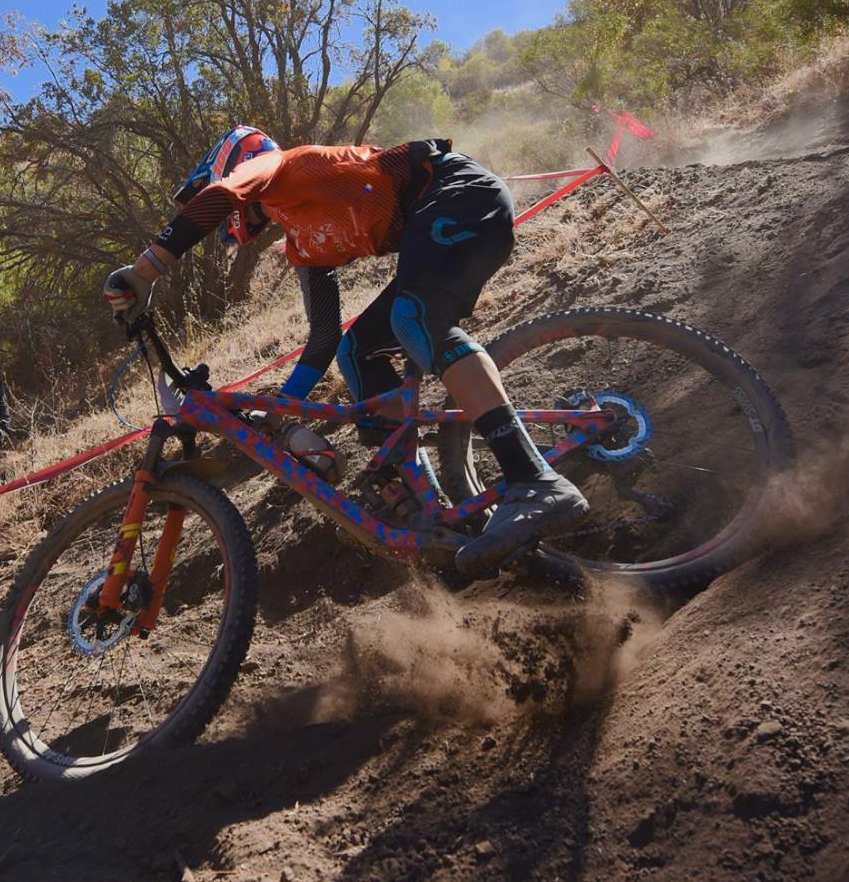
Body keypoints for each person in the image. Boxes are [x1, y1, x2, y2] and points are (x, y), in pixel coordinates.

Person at [104, 127, 587, 575]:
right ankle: (435, 512)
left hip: (460, 195)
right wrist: (278, 412)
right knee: (358, 350)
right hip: (438, 224)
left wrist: (145, 270)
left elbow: (224, 194)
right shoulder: (302, 241)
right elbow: (322, 341)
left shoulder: (283, 168)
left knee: (411, 319)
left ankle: (534, 478)